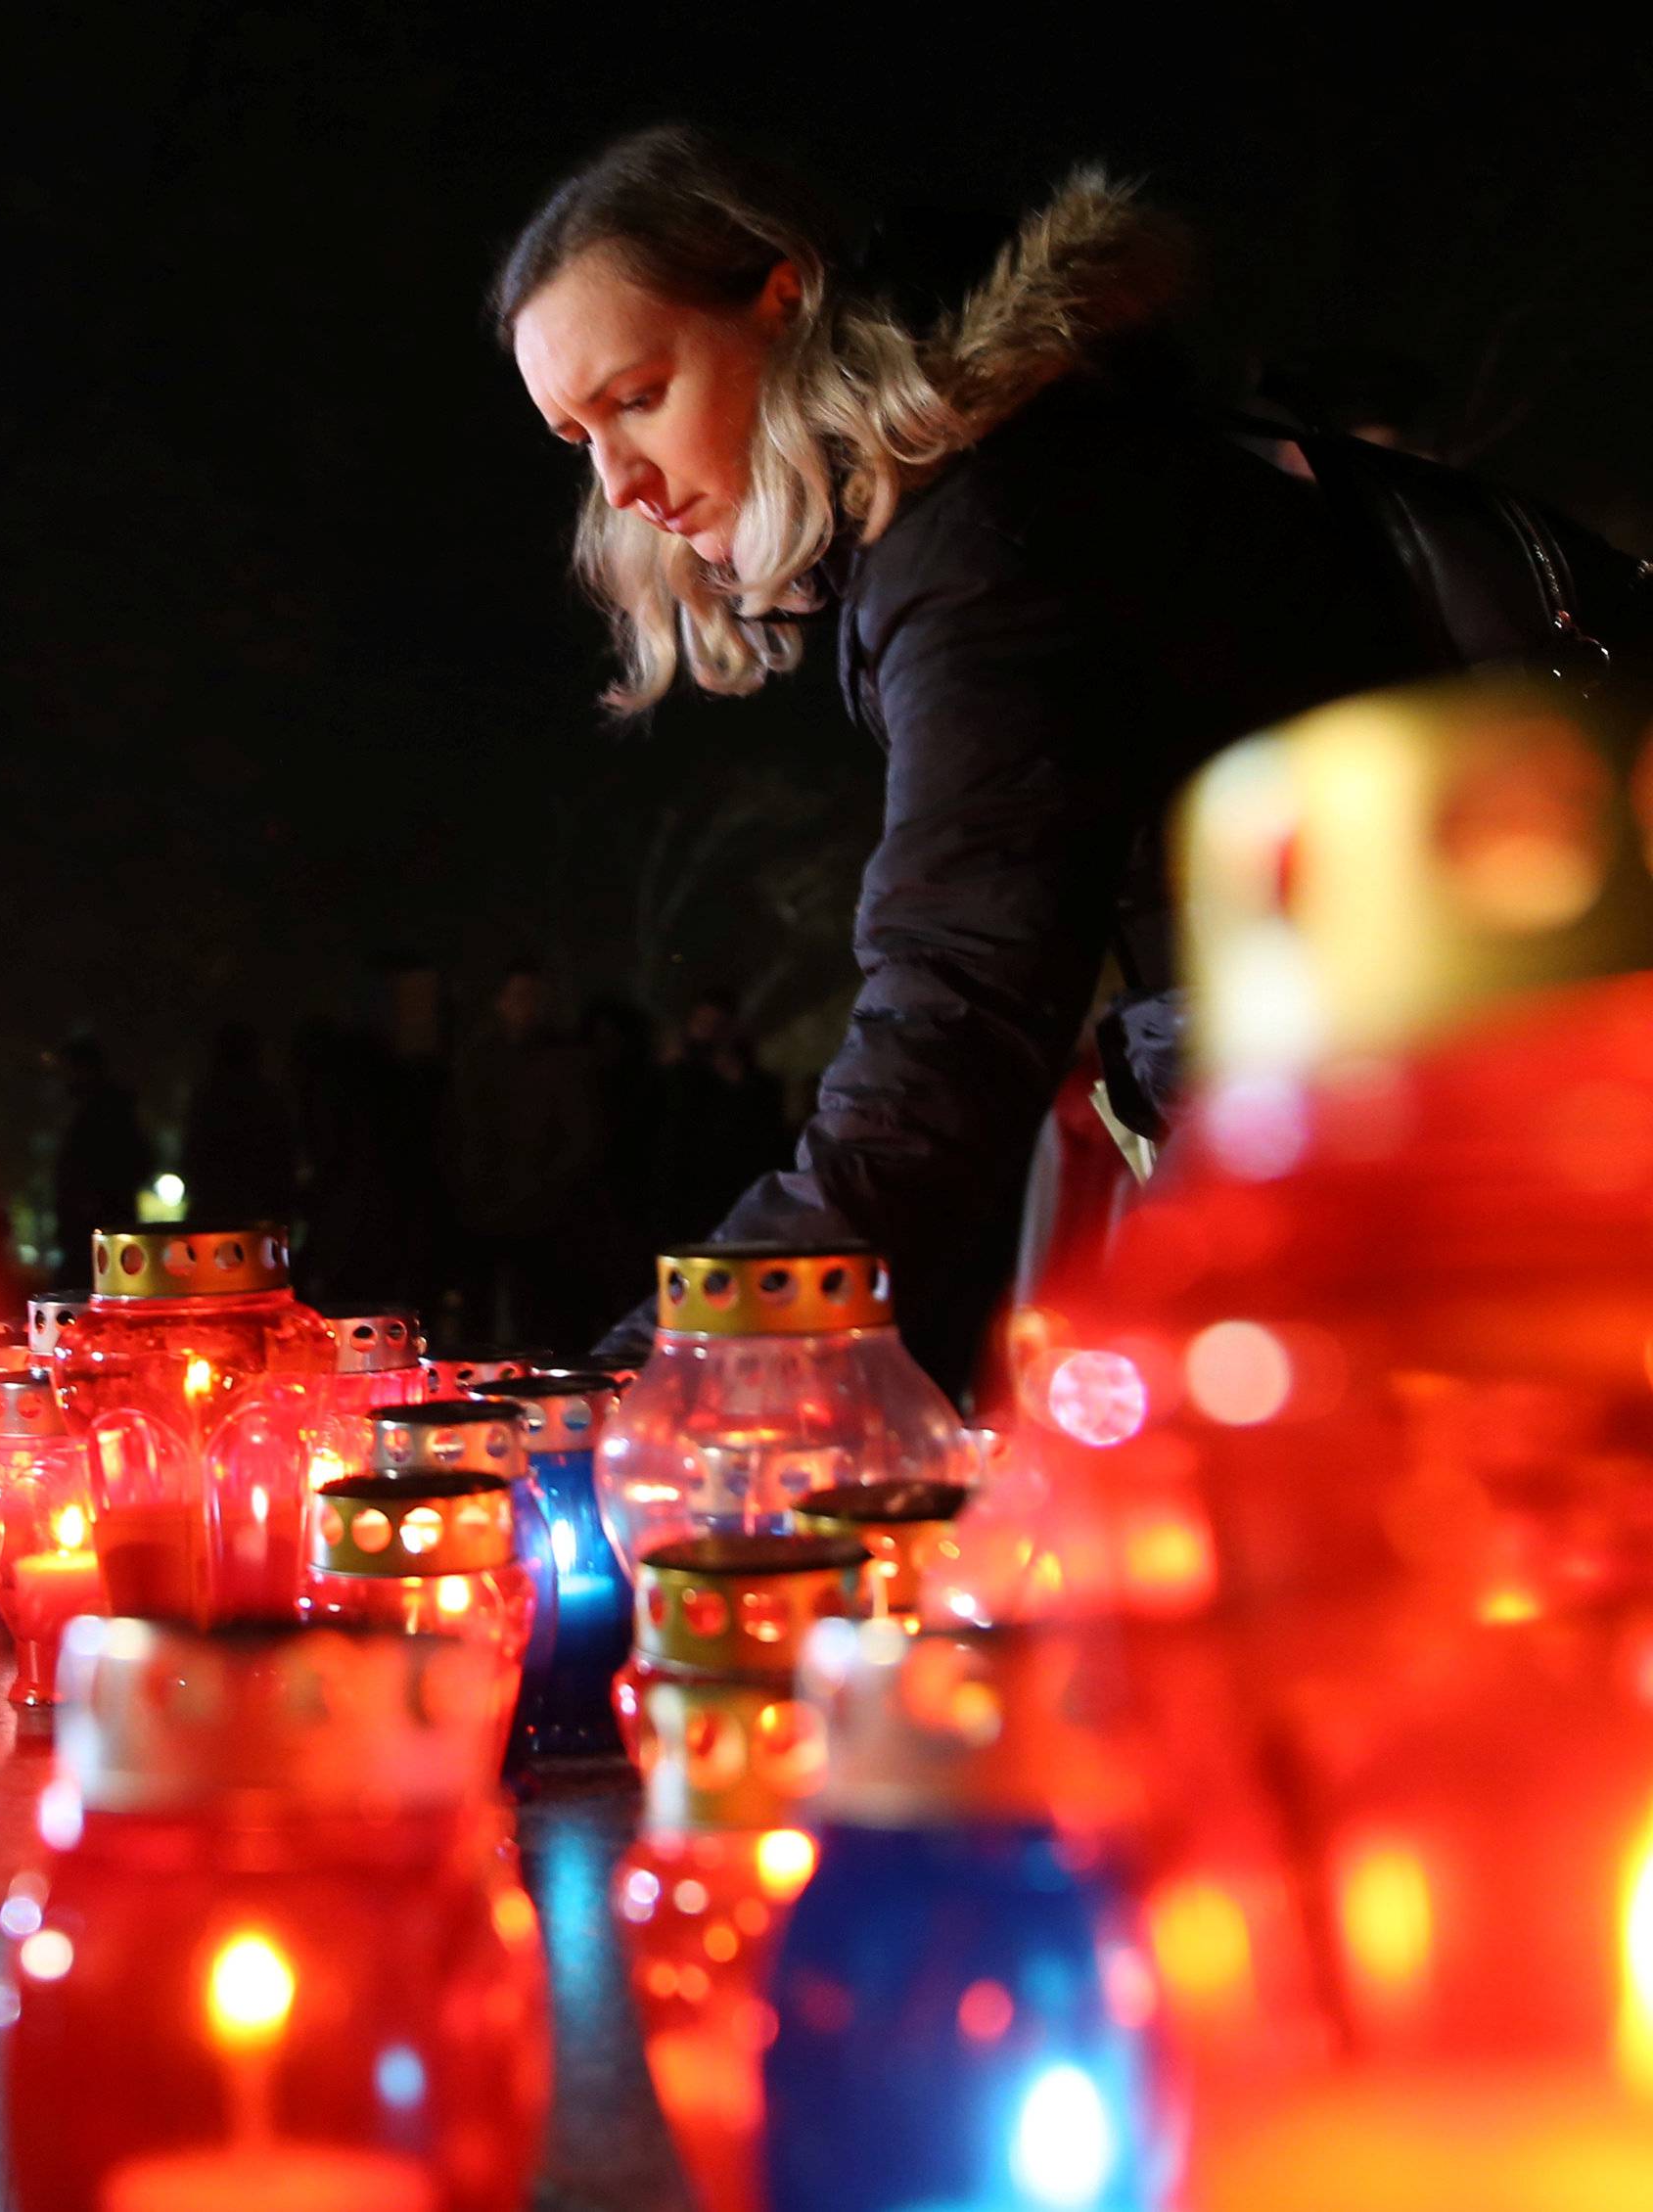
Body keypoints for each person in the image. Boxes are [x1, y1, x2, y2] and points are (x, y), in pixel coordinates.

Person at [494, 126, 1483, 1394]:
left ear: (784, 303)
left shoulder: (984, 537)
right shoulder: (1002, 485)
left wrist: (680, 1361)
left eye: (638, 396)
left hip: (1410, 1157)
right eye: (579, 437)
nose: (622, 480)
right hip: (1391, 1124)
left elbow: (955, 1009)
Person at [438, 960, 604, 1349]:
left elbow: (582, 1136)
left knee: (541, 1316)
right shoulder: (477, 1060)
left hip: (544, 1214)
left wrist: (547, 1188)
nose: (526, 1006)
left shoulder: (565, 1061)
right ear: (500, 1002)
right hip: (483, 1207)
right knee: (480, 1315)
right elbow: (457, 1130)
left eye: (533, 997)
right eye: (518, 997)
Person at [654, 987, 787, 1244]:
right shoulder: (673, 1075)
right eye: (702, 1024)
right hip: (679, 1195)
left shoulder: (757, 1084)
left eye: (718, 1026)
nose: (709, 1034)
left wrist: (737, 1085)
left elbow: (764, 1140)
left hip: (730, 1194)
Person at [180, 1021, 297, 1227]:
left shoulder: (208, 1100)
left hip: (217, 1210)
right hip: (259, 1211)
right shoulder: (268, 1099)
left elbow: (193, 1156)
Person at [53, 1035, 151, 1276]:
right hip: (99, 1225)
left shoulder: (102, 1113)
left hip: (97, 1225)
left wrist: (91, 1199)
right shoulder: (106, 1109)